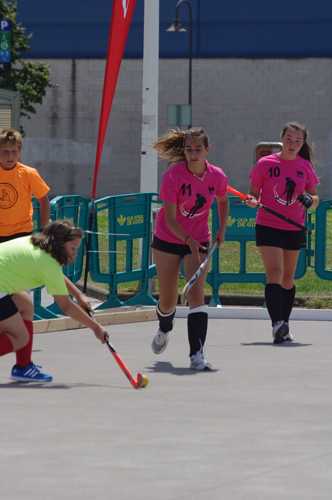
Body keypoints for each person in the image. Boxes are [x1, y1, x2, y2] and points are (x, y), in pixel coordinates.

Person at [150, 127, 229, 370]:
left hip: (200, 239)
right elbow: (171, 219)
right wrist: (188, 240)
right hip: (168, 238)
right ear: (183, 151)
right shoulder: (173, 176)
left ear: (207, 150)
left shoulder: (217, 175)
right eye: (188, 149)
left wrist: (221, 228)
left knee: (195, 295)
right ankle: (165, 326)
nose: (193, 154)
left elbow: (223, 201)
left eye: (198, 149)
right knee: (168, 300)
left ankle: (197, 355)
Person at [0, 219, 109, 382]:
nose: (75, 254)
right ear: (59, 243)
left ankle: (24, 367)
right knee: (20, 337)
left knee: (26, 305)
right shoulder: (48, 263)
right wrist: (96, 328)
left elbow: (55, 274)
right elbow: (65, 306)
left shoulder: (38, 244)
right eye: (73, 248)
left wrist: (78, 295)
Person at [246, 121, 319, 344]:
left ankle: (284, 326)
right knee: (275, 274)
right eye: (289, 139)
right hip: (268, 224)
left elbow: (315, 199)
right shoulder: (265, 163)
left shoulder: (304, 166)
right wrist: (252, 201)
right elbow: (253, 194)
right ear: (282, 138)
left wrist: (310, 200)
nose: (293, 144)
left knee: (288, 279)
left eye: (298, 141)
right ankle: (277, 323)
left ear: (302, 143)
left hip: (294, 227)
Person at [0, 128, 50, 243]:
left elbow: (44, 200)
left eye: (14, 151)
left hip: (22, 232)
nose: (10, 156)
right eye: (5, 151)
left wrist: (44, 230)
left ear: (20, 151)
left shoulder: (29, 173)